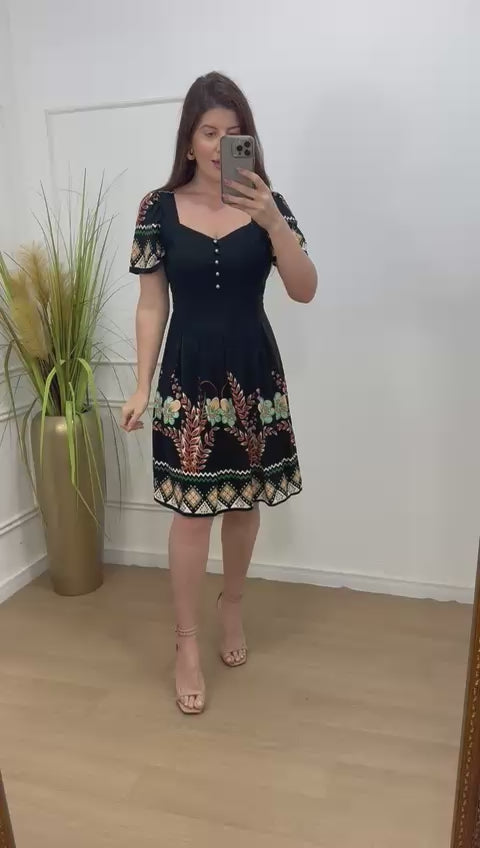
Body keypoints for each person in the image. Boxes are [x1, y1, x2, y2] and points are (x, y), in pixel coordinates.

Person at [121, 71, 317, 715]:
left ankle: (231, 607)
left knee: (242, 503)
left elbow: (304, 289)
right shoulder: (156, 208)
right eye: (209, 132)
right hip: (186, 375)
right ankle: (186, 643)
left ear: (248, 143)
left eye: (234, 134)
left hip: (253, 373)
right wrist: (141, 384)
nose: (219, 144)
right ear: (189, 140)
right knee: (190, 513)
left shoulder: (269, 204)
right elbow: (151, 303)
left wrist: (273, 222)